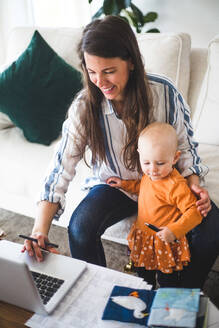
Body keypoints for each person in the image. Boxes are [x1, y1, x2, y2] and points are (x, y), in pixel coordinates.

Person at [22, 15, 219, 289]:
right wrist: (38, 229)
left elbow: (185, 150)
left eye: (109, 71)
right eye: (92, 72)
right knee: (79, 228)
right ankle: (96, 294)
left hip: (163, 184)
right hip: (115, 185)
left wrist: (195, 185)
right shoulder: (84, 106)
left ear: (131, 62)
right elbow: (60, 167)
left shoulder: (165, 94)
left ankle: (182, 294)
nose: (99, 81)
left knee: (211, 230)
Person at [106, 122, 203, 288]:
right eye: (147, 163)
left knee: (167, 280)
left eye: (160, 163)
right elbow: (142, 187)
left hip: (164, 239)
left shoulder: (175, 185)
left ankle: (165, 304)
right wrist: (123, 184)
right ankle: (146, 295)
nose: (153, 170)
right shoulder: (148, 176)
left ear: (175, 158)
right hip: (144, 237)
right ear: (140, 156)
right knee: (143, 276)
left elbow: (194, 212)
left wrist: (174, 231)